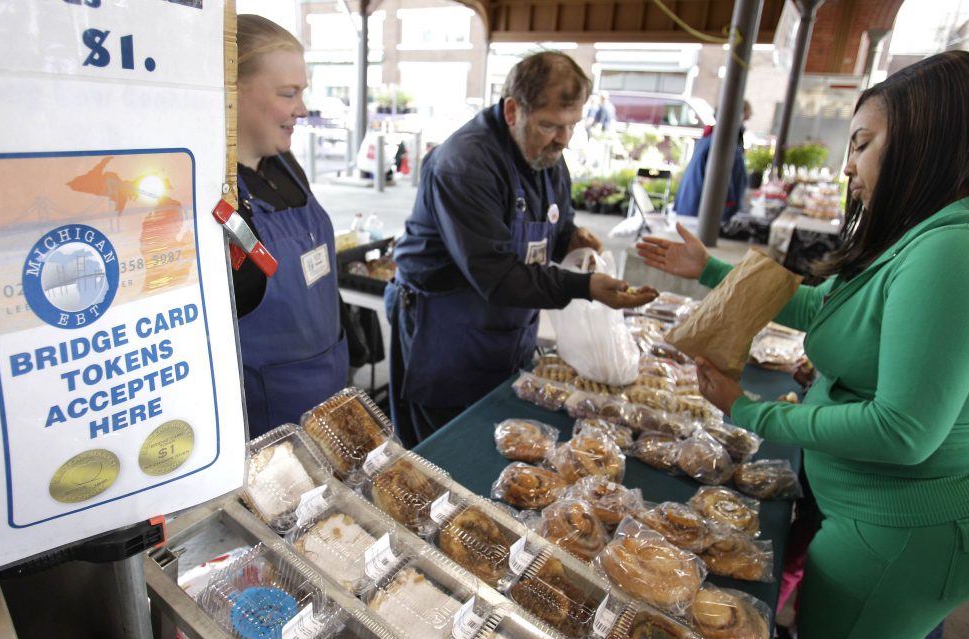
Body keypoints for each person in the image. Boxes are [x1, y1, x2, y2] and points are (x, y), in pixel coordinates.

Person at [637, 50, 969, 639]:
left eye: (863, 144)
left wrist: (752, 413)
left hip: (900, 536)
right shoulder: (926, 233)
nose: (847, 166)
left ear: (929, 143)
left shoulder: (951, 251)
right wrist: (709, 270)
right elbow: (836, 309)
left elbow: (903, 432)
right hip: (871, 519)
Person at [386, 51, 657, 448]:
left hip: (506, 330)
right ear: (513, 110)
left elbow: (555, 222)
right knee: (444, 453)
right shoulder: (464, 165)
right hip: (448, 331)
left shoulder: (547, 155)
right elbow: (496, 275)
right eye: (550, 125)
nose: (563, 139)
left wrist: (571, 238)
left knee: (497, 438)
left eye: (572, 125)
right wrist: (583, 286)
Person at [232, 15, 347, 438]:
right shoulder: (215, 192)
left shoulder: (284, 163)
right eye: (288, 93)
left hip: (329, 385)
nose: (301, 108)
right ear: (233, 90)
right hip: (269, 416)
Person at [673, 100, 751, 222]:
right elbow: (724, 184)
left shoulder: (709, 138)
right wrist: (727, 211)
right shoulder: (723, 143)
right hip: (701, 214)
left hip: (690, 208)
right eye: (744, 118)